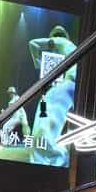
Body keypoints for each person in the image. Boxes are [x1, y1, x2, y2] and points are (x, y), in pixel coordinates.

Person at [29, 25, 77, 167]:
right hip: (72, 87)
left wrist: (37, 62)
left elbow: (33, 43)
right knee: (51, 128)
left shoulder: (59, 41)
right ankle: (58, 162)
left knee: (43, 128)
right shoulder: (70, 48)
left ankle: (50, 161)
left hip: (67, 85)